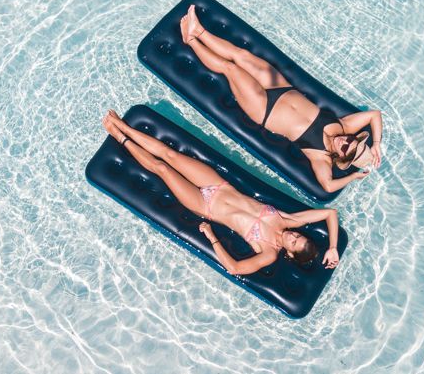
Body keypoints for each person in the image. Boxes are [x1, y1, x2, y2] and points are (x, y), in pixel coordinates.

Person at [102, 110, 339, 275]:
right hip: (218, 185)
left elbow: (235, 268)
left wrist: (212, 237)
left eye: (295, 243)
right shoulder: (288, 219)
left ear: (290, 253)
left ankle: (120, 137)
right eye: (299, 236)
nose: (294, 236)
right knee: (170, 155)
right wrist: (332, 247)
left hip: (205, 207)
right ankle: (122, 125)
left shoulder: (268, 254)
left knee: (162, 169)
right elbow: (330, 214)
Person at [179, 5, 384, 193]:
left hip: (264, 110)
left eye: (346, 147)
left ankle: (192, 41)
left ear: (342, 157)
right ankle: (199, 30)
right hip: (281, 86)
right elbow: (375, 115)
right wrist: (375, 144)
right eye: (352, 140)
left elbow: (328, 186)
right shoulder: (344, 127)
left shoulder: (320, 157)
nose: (345, 141)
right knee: (241, 55)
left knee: (230, 69)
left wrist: (354, 177)